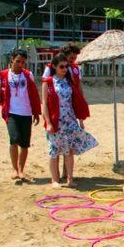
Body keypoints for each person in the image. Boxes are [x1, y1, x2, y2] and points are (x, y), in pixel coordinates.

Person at [41, 53, 97, 189]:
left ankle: (70, 178)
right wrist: (48, 122)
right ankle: (54, 179)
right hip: (56, 121)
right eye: (61, 66)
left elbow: (75, 101)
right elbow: (44, 104)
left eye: (66, 66)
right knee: (54, 150)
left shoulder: (69, 81)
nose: (64, 69)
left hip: (70, 120)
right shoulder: (48, 82)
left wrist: (80, 119)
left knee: (69, 150)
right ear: (54, 67)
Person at [0, 49, 41, 182]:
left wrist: (36, 112)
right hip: (11, 112)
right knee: (14, 139)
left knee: (25, 144)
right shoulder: (2, 75)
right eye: (18, 61)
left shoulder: (28, 74)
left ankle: (21, 170)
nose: (20, 64)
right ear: (12, 59)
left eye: (23, 62)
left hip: (25, 112)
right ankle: (14, 169)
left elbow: (34, 94)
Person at [44, 42, 86, 180]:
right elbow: (45, 99)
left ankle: (67, 174)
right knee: (56, 148)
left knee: (68, 148)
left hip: (69, 115)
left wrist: (81, 113)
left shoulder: (73, 71)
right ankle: (56, 177)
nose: (72, 61)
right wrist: (48, 120)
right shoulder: (50, 74)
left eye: (73, 60)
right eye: (71, 58)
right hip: (56, 115)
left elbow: (78, 90)